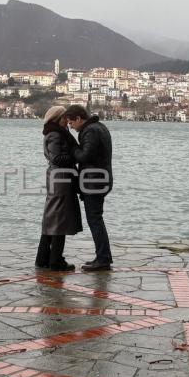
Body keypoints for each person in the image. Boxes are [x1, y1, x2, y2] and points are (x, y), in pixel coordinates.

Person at [66, 104, 113, 271]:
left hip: (94, 182)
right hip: (100, 180)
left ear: (79, 119)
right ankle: (103, 257)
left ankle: (103, 259)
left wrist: (73, 150)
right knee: (96, 219)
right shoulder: (100, 127)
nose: (71, 127)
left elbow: (86, 156)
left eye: (71, 123)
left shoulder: (90, 131)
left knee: (95, 220)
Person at [35, 105, 82, 272]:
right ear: (58, 119)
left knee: (52, 218)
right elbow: (57, 157)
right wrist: (76, 154)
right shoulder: (56, 134)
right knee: (59, 220)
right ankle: (56, 261)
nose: (67, 121)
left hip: (57, 177)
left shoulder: (53, 133)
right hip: (61, 179)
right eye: (64, 117)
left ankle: (42, 259)